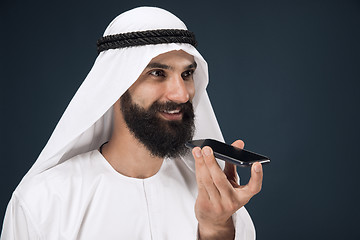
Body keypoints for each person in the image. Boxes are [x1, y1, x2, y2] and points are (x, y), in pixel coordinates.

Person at [1, 6, 263, 240]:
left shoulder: (213, 196)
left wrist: (217, 228)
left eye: (187, 74)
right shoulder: (43, 201)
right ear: (115, 83)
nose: (181, 94)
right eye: (157, 73)